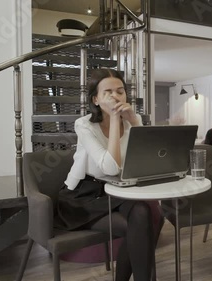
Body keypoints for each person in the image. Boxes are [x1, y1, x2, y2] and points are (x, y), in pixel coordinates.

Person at [55, 69, 160, 281]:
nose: (115, 96)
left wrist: (135, 123)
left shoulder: (132, 120)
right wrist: (114, 120)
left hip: (115, 190)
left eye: (120, 91)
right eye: (108, 92)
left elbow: (149, 159)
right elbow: (109, 168)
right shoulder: (84, 125)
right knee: (141, 224)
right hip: (83, 196)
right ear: (95, 99)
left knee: (143, 213)